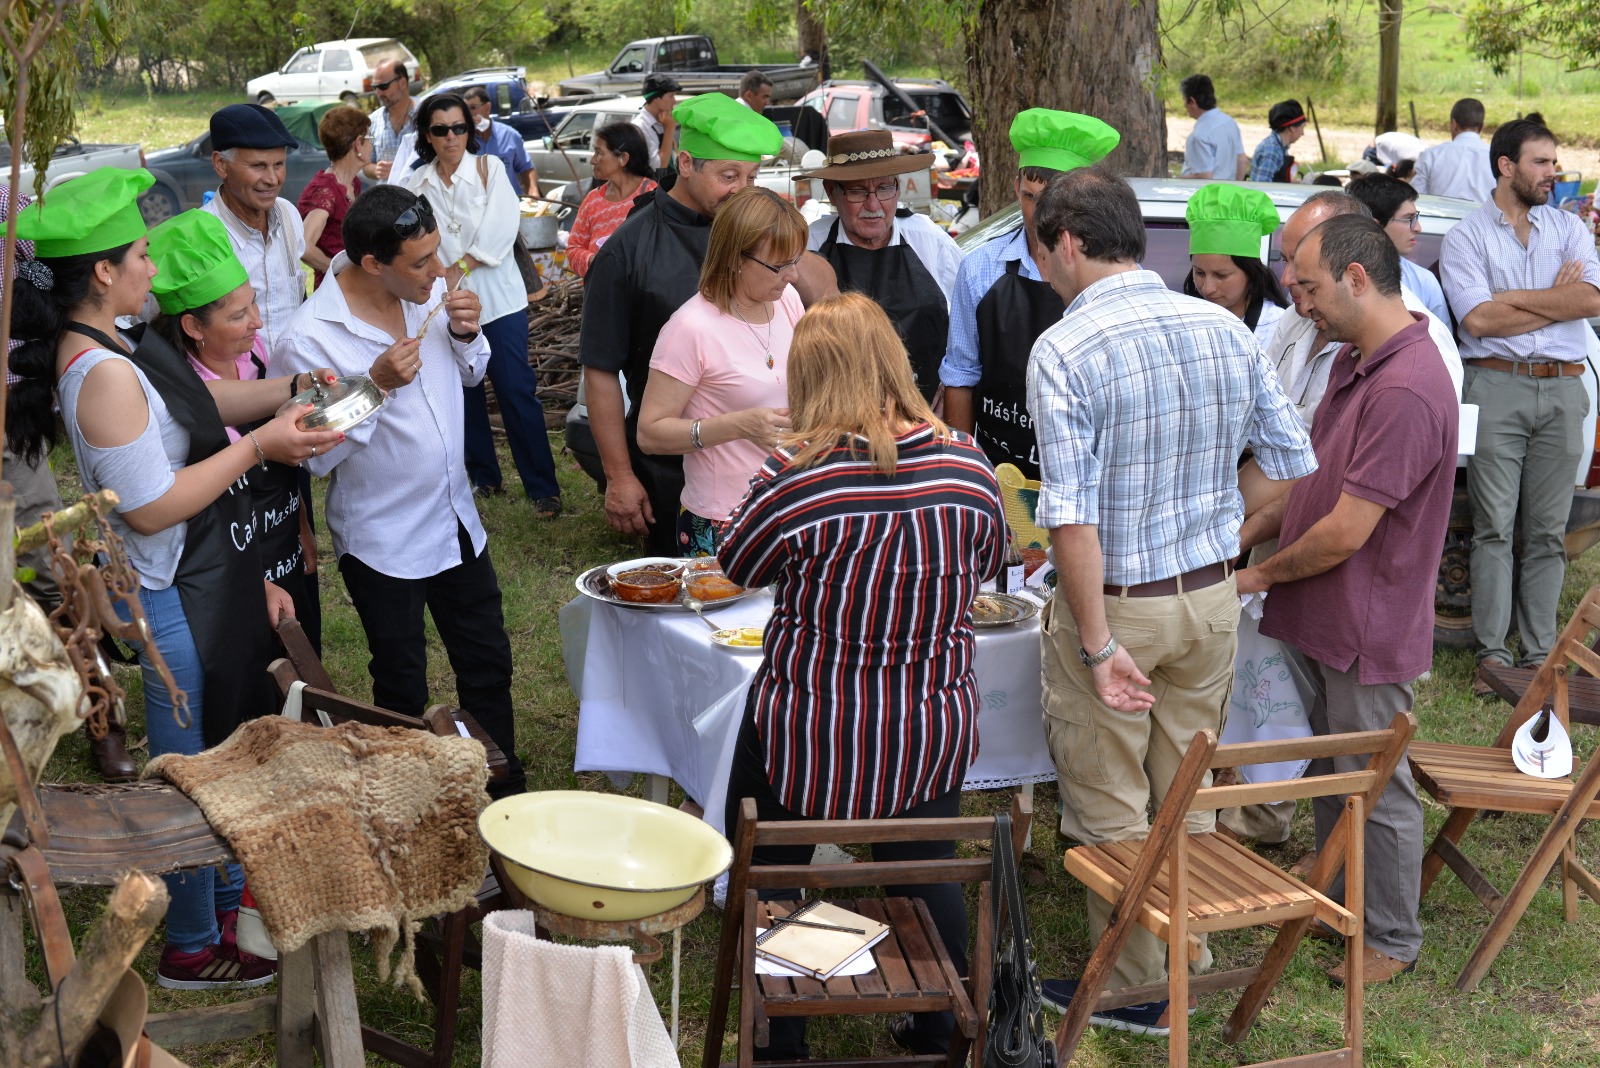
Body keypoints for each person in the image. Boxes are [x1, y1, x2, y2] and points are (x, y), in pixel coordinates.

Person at [13, 166, 340, 988]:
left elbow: (203, 413)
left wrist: (289, 393)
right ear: (102, 273)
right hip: (165, 592)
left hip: (201, 579)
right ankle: (192, 945)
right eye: (141, 258)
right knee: (190, 776)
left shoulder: (126, 343)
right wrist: (263, 449)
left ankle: (229, 905)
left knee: (222, 755)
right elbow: (151, 507)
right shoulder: (104, 373)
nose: (153, 271)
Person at [1023, 167, 1315, 1035]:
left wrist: (1097, 641)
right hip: (1210, 599)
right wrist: (1223, 527)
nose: (1043, 266)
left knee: (1111, 804)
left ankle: (1142, 990)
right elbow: (1292, 459)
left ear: (1068, 243)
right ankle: (1185, 953)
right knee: (1180, 788)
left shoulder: (1065, 348)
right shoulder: (1224, 329)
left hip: (1121, 604)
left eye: (1042, 248)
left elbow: (1067, 516)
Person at [717, 292, 1005, 1058]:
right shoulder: (969, 462)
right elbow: (986, 565)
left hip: (812, 721)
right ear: (892, 364)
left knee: (773, 865)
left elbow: (737, 565)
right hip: (928, 719)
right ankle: (937, 1023)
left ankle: (782, 1038)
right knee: (923, 860)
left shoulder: (795, 473)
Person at [1238, 214, 1458, 986]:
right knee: (1337, 764)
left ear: (1358, 278)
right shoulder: (1357, 359)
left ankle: (1393, 937)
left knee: (1376, 781)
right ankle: (1336, 887)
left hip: (1367, 619)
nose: (1301, 305)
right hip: (1328, 613)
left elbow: (1346, 532)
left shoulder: (1406, 385)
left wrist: (1258, 574)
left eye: (1311, 288)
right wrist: (1253, 528)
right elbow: (1313, 478)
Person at [277, 185, 527, 799]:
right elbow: (314, 452)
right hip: (382, 537)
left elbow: (469, 376)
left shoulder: (429, 294)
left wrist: (467, 336)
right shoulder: (309, 336)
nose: (438, 273)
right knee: (399, 675)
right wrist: (376, 386)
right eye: (420, 262)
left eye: (436, 255)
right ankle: (415, 799)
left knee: (487, 661)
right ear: (371, 264)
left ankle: (501, 791)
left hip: (455, 519)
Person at [579, 92, 784, 555]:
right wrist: (620, 476)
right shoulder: (626, 250)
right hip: (670, 465)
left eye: (752, 177)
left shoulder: (752, 230)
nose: (742, 190)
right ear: (687, 163)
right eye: (728, 176)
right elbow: (600, 370)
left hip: (766, 465)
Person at [1441, 119, 1600, 676]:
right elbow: (1479, 319)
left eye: (1554, 162)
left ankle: (1538, 655)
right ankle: (1493, 656)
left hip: (1563, 386)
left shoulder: (1569, 228)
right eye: (1541, 162)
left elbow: (1591, 299)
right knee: (1493, 527)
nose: (1552, 173)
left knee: (1548, 532)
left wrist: (1523, 298)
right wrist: (1558, 295)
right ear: (1507, 166)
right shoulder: (1467, 235)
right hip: (1495, 384)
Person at [149, 209, 322, 651]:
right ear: (192, 326)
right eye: (239, 315)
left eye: (255, 304)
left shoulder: (257, 355)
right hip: (232, 566)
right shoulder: (179, 397)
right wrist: (256, 581)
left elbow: (280, 470)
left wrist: (301, 525)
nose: (258, 323)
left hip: (281, 539)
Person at [403, 93, 563, 516]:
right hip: (447, 303)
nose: (451, 137)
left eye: (459, 127)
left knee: (516, 390)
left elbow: (503, 226)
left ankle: (543, 488)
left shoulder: (489, 167)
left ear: (469, 131)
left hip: (500, 300)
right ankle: (483, 477)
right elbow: (412, 238)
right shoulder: (416, 182)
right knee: (461, 393)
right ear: (427, 135)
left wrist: (459, 265)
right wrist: (442, 273)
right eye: (440, 129)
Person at [939, 109, 1120, 479]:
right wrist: (965, 473)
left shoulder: (1110, 273)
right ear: (1015, 187)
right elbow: (960, 376)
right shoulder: (979, 269)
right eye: (1030, 197)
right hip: (1000, 471)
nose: (1040, 216)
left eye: (1055, 201)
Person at [636, 187, 806, 555]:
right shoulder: (690, 328)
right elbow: (650, 434)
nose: (792, 275)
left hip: (791, 501)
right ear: (735, 258)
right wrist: (738, 425)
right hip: (723, 519)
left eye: (796, 260)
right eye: (779, 265)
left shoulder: (787, 300)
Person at [798, 129, 965, 401]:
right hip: (839, 415)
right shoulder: (810, 247)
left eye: (885, 188)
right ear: (831, 192)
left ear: (898, 187)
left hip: (926, 412)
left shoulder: (928, 239)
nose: (873, 204)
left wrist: (950, 394)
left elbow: (968, 321)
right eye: (857, 191)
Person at [202, 104, 307, 355]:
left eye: (279, 164)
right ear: (221, 165)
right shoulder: (201, 236)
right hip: (241, 390)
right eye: (258, 166)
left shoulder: (289, 215)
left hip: (296, 382)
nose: (272, 179)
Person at [1183, 182, 1289, 346]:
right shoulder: (1183, 322)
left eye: (1221, 275)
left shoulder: (1278, 328)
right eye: (1199, 273)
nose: (1207, 288)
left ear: (1251, 272)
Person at [1348, 172, 1450, 324]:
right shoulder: (1335, 278)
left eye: (1416, 217)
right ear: (1374, 226)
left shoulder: (1424, 282)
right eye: (1409, 219)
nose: (1418, 228)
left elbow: (1441, 345)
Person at [566, 122, 657, 278]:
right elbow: (574, 248)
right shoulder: (593, 200)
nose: (593, 160)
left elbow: (664, 248)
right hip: (601, 291)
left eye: (599, 152)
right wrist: (594, 260)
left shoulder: (652, 195)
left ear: (623, 158)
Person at [297, 105, 370, 289]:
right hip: (333, 290)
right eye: (370, 138)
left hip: (354, 286)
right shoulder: (325, 190)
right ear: (358, 144)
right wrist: (337, 270)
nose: (372, 145)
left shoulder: (353, 183)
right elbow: (304, 246)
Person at [1412, 98, 1494, 203]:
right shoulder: (1495, 157)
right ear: (1482, 126)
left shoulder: (1431, 155)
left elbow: (1416, 198)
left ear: (1454, 124)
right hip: (1483, 218)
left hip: (1438, 218)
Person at [1179, 74, 1247, 181]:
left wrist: (1175, 180)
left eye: (1184, 99)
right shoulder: (1229, 122)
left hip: (1209, 196)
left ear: (1192, 102)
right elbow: (1242, 160)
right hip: (1229, 192)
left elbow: (1204, 177)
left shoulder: (1199, 135)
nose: (1183, 105)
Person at [364, 59, 418, 182]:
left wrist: (404, 168)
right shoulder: (373, 121)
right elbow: (365, 164)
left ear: (403, 82)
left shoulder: (426, 116)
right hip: (386, 198)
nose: (378, 92)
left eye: (383, 86)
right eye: (375, 87)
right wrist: (376, 170)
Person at [632, 73, 682, 173]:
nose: (674, 101)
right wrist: (669, 129)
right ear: (656, 98)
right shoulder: (640, 127)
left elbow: (674, 156)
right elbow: (659, 167)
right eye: (671, 96)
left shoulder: (663, 121)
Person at [1249, 99, 1307, 182]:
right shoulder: (1272, 150)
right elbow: (1262, 187)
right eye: (1302, 127)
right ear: (1292, 128)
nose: (1303, 133)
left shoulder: (1280, 146)